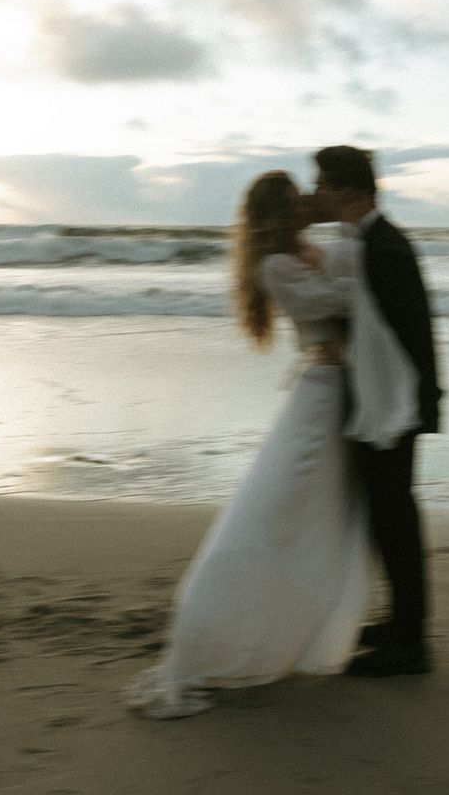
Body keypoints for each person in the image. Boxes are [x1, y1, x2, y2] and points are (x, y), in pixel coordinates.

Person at [126, 170, 370, 718]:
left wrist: (342, 235)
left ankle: (301, 626)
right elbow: (342, 300)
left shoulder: (308, 250)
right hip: (319, 394)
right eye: (293, 201)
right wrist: (353, 235)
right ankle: (225, 624)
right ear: (275, 215)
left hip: (339, 391)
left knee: (320, 517)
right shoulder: (276, 265)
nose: (305, 203)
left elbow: (349, 294)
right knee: (281, 509)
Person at [313, 145, 443, 677]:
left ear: (350, 190)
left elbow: (415, 332)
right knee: (386, 519)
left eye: (322, 182)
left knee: (397, 521)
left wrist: (421, 405)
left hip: (393, 407)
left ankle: (411, 643)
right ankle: (399, 624)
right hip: (379, 402)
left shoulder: (385, 246)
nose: (316, 191)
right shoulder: (360, 242)